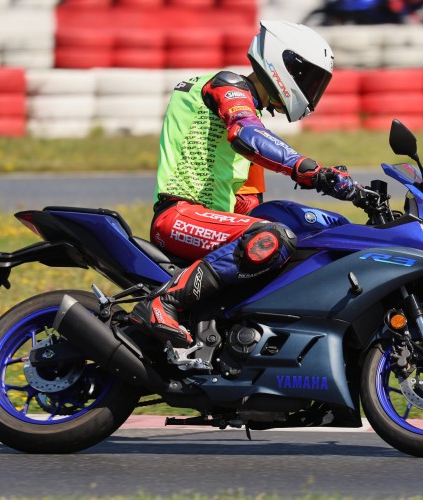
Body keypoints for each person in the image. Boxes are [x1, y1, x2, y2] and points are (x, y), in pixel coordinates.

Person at [132, 20, 360, 349]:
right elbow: (245, 132)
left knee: (287, 234)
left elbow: (247, 202)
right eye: (307, 78)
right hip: (179, 216)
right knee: (273, 237)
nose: (310, 89)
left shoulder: (250, 126)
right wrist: (310, 170)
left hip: (211, 224)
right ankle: (163, 303)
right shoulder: (227, 86)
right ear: (284, 64)